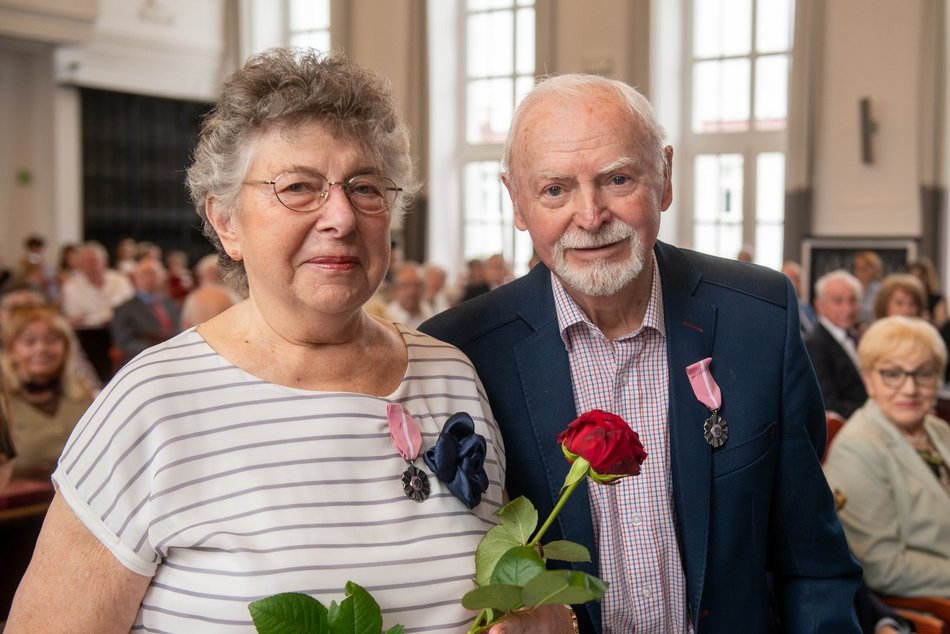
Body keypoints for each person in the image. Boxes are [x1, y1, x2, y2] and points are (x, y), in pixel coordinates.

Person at [7, 48, 513, 634]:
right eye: (299, 186)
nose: (342, 218)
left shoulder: (450, 371)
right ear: (225, 222)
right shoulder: (152, 401)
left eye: (366, 187)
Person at [421, 73, 861, 632]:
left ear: (665, 177)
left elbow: (812, 564)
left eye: (618, 179)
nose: (590, 215)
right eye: (555, 189)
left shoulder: (758, 318)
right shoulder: (462, 352)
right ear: (517, 201)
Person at [823, 316, 950, 598]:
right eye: (892, 374)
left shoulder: (938, 430)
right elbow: (883, 567)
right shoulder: (857, 447)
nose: (910, 389)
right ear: (868, 380)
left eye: (924, 373)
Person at [0, 305, 94, 481]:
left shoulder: (82, 393)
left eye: (51, 340)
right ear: (11, 350)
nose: (41, 349)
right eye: (29, 342)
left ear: (65, 348)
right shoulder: (3, 401)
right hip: (16, 502)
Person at [805, 269, 868, 419]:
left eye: (853, 300)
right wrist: (879, 414)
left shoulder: (857, 337)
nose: (848, 308)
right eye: (838, 301)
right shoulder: (815, 345)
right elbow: (827, 404)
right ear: (819, 305)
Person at [110, 256, 181, 368]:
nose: (148, 278)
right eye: (144, 274)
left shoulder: (171, 304)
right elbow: (124, 343)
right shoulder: (124, 308)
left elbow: (180, 331)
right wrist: (160, 349)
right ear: (135, 279)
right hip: (142, 363)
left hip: (176, 359)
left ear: (162, 277)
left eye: (153, 274)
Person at [387, 261, 432, 329]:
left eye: (417, 285)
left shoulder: (429, 313)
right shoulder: (386, 319)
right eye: (405, 285)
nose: (411, 292)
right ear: (395, 290)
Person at [907, 256, 948, 327]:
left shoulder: (938, 300)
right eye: (912, 276)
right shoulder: (906, 298)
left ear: (927, 278)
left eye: (919, 277)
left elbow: (942, 324)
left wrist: (930, 321)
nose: (915, 280)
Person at [781, 260, 818, 334]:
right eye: (789, 278)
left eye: (797, 279)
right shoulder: (778, 309)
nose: (793, 283)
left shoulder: (807, 308)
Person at [853, 250, 883, 327]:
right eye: (857, 268)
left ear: (874, 270)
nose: (859, 273)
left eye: (864, 269)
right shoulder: (850, 288)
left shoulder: (881, 291)